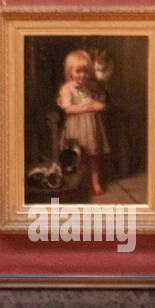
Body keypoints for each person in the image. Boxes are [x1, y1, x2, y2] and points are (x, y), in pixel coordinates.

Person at [56, 49, 110, 197]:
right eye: (78, 71)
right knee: (78, 156)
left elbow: (97, 100)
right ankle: (79, 182)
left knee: (94, 155)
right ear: (70, 71)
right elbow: (67, 109)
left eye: (86, 72)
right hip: (76, 126)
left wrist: (100, 104)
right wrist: (88, 106)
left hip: (91, 126)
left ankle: (95, 181)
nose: (82, 75)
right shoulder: (67, 88)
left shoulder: (89, 86)